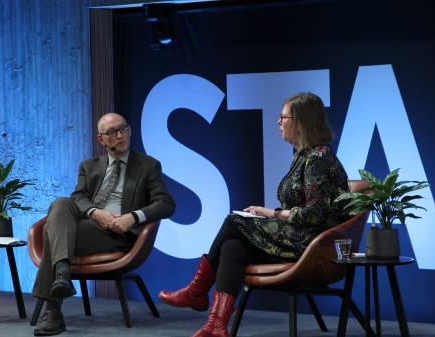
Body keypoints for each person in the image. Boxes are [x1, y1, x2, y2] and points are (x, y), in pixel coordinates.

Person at [158, 92, 350, 337]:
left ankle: (197, 291)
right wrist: (271, 215)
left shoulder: (318, 158)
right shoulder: (303, 154)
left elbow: (316, 214)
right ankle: (215, 327)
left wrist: (272, 213)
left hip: (312, 244)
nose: (278, 122)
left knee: (234, 220)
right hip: (298, 235)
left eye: (283, 117)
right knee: (231, 248)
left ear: (300, 122)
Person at [32, 112, 176, 336]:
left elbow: (166, 204)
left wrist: (133, 217)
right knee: (61, 203)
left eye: (124, 129)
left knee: (53, 231)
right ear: (102, 139)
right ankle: (61, 275)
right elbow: (78, 198)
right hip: (88, 223)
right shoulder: (89, 166)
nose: (120, 135)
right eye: (112, 132)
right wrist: (95, 212)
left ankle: (53, 309)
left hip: (117, 232)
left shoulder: (147, 165)